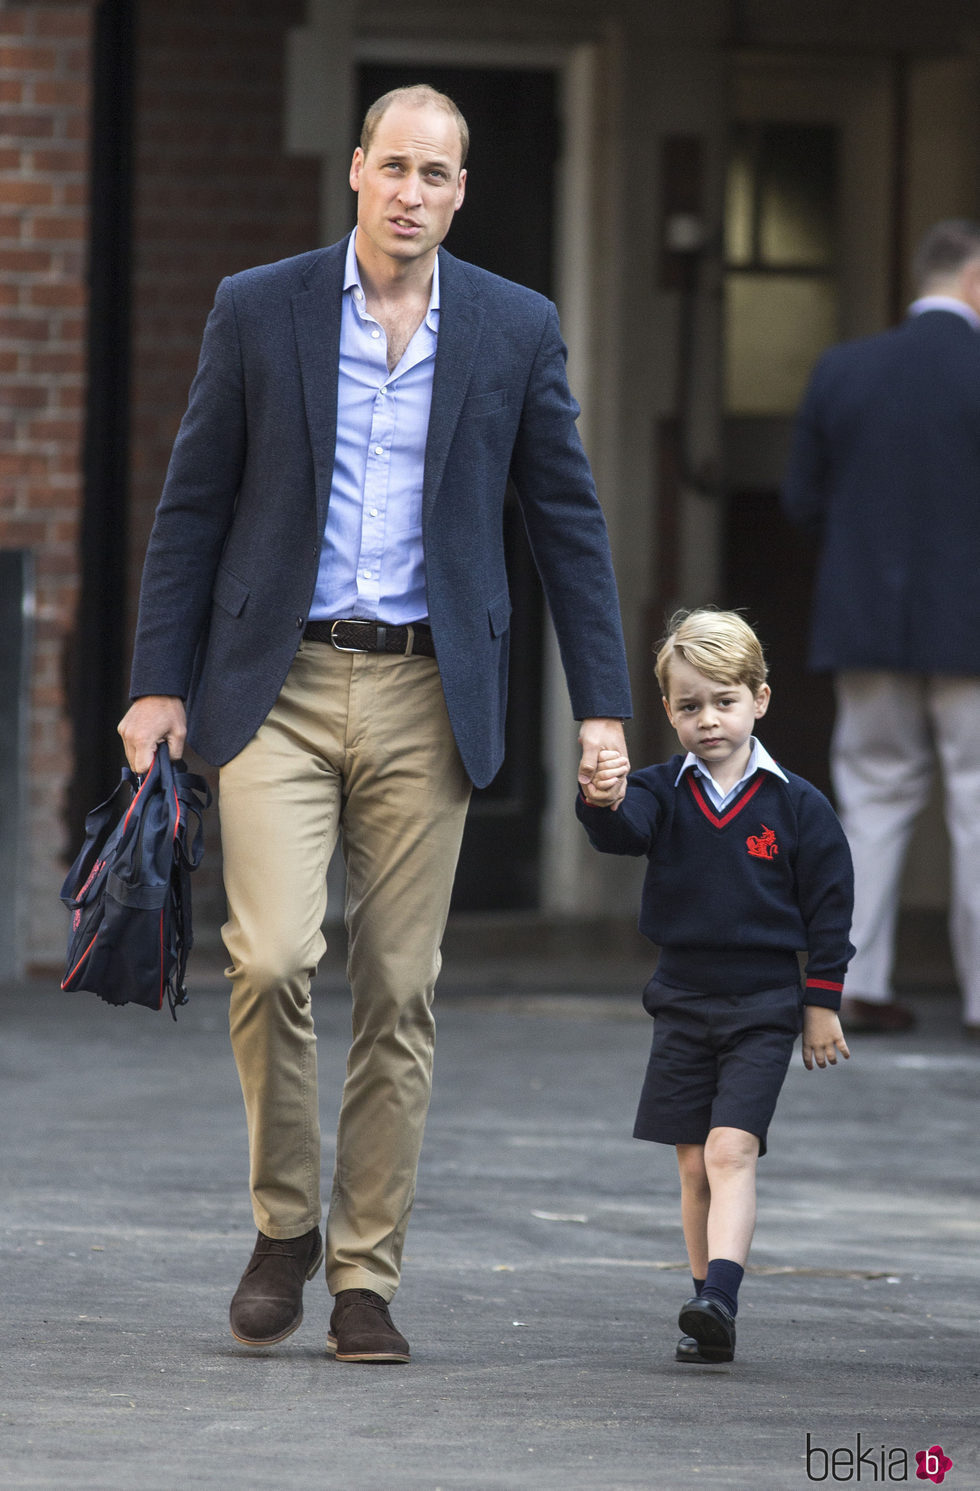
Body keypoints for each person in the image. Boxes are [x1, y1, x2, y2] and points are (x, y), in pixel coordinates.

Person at [118, 84, 632, 1364]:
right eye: (392, 167)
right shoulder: (260, 305)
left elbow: (566, 526)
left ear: (462, 192)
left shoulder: (514, 328)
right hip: (274, 684)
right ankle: (284, 1223)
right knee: (275, 958)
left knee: (398, 989)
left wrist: (605, 709)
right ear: (354, 170)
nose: (411, 193)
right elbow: (193, 504)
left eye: (436, 175)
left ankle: (361, 1275)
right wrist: (154, 680)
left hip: (426, 694)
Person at [576, 609, 852, 1364]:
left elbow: (830, 905)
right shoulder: (663, 790)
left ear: (760, 699)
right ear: (667, 710)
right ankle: (707, 1306)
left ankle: (719, 1295)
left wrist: (820, 1002)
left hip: (765, 1005)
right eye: (689, 705)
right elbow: (623, 825)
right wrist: (602, 794)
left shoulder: (796, 804)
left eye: (724, 701)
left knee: (733, 1151)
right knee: (694, 1162)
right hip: (682, 999)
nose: (708, 720)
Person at [782, 218, 980, 1038]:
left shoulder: (843, 369)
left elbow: (801, 501)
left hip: (863, 623)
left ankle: (855, 986)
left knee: (869, 799)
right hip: (971, 627)